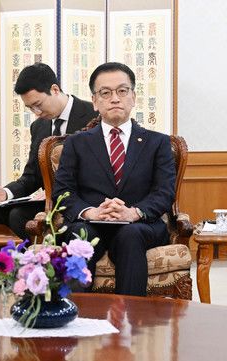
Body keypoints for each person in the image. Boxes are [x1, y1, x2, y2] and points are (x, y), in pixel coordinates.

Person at [53, 62, 176, 296]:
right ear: (95, 101)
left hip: (141, 224)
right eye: (105, 93)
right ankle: (75, 317)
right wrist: (91, 212)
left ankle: (129, 322)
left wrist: (134, 212)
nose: (115, 99)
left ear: (133, 97)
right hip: (90, 223)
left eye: (122, 91)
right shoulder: (76, 143)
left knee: (131, 234)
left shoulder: (157, 143)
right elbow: (63, 192)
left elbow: (164, 192)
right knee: (82, 235)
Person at [0, 62, 98, 240]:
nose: (36, 112)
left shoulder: (93, 114)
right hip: (49, 202)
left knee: (18, 216)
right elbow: (32, 177)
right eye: (30, 108)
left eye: (38, 104)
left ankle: (37, 265)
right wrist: (5, 193)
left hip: (81, 200)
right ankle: (8, 267)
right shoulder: (39, 126)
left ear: (55, 89)